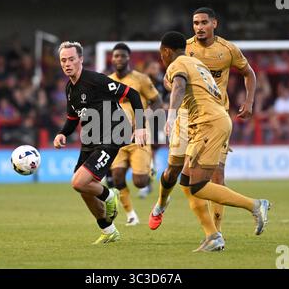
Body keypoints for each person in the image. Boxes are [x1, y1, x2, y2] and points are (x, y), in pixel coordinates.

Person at [152, 31, 270, 251]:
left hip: (208, 124)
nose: (162, 59)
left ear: (166, 51)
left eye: (161, 54)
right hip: (211, 120)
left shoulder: (177, 64)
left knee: (198, 185)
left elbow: (177, 86)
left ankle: (255, 205)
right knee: (186, 182)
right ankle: (213, 237)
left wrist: (171, 115)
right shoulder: (196, 63)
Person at [53, 41, 147, 244]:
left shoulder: (95, 80)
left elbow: (133, 94)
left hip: (112, 136)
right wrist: (62, 133)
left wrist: (140, 127)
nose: (67, 63)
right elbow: (72, 118)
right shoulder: (70, 88)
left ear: (80, 59)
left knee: (79, 182)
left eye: (71, 59)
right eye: (63, 60)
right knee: (83, 188)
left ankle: (110, 194)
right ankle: (109, 230)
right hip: (91, 139)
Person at [108, 43, 163, 226]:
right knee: (116, 177)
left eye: (122, 56)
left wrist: (145, 116)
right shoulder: (107, 81)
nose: (119, 59)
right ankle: (131, 215)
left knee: (140, 182)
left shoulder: (141, 79)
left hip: (139, 135)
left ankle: (150, 170)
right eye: (116, 56)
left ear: (128, 58)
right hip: (116, 137)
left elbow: (157, 101)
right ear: (112, 58)